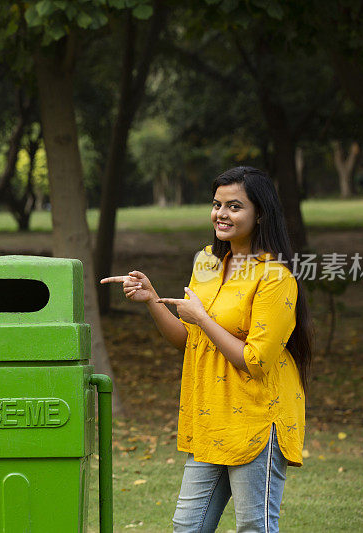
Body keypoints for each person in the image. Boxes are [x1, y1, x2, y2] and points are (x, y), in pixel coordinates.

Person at [101, 167, 313, 533]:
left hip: (257, 420)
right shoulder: (207, 263)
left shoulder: (276, 277)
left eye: (234, 206)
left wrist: (202, 317)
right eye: (217, 204)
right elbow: (188, 340)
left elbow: (256, 361)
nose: (221, 214)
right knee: (187, 526)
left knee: (254, 527)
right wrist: (153, 300)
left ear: (259, 213)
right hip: (211, 417)